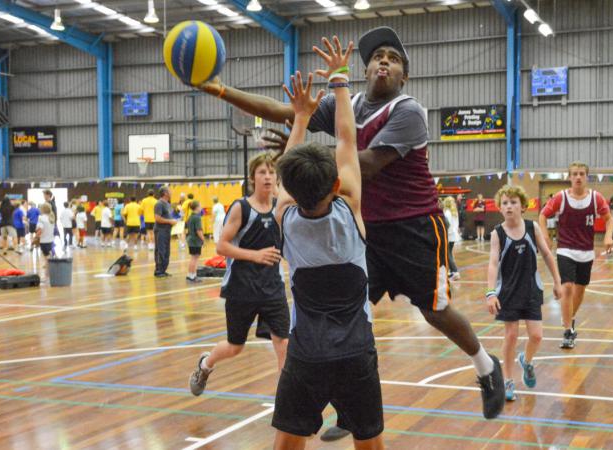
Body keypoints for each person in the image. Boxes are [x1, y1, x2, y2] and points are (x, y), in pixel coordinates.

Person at [199, 28, 505, 438]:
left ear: (404, 75)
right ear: (362, 71)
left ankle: (486, 365)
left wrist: (299, 159)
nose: (384, 61)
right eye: (377, 56)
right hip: (367, 228)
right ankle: (350, 402)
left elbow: (362, 163)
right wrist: (220, 89)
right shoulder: (352, 103)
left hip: (415, 225)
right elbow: (282, 108)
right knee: (352, 309)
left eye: (393, 58)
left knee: (433, 309)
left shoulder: (408, 109)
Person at [273, 42, 382, 449]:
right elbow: (346, 139)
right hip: (356, 352)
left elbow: (288, 175)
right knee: (370, 443)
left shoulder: (285, 218)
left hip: (306, 355)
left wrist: (299, 117)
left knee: (287, 444)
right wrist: (339, 81)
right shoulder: (350, 206)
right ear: (335, 185)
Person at [189, 150, 289, 407]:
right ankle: (205, 364)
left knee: (284, 342)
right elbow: (221, 247)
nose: (267, 177)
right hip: (241, 289)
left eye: (271, 172)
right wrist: (255, 256)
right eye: (262, 172)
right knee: (235, 346)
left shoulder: (281, 208)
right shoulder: (240, 208)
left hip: (272, 288)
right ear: (253, 178)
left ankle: (287, 400)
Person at [486, 185, 561, 401]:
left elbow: (547, 254)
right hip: (507, 292)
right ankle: (508, 381)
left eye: (513, 202)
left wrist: (557, 281)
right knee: (510, 336)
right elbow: (492, 264)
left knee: (536, 336)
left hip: (530, 289)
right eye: (505, 203)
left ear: (523, 206)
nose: (509, 206)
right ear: (500, 208)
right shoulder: (497, 233)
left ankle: (526, 361)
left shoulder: (532, 227)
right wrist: (490, 293)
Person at [539, 161, 613, 350]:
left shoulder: (596, 198)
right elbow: (542, 215)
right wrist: (545, 236)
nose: (578, 177)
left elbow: (609, 219)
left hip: (586, 251)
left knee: (580, 291)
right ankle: (567, 331)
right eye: (574, 174)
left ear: (586, 177)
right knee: (568, 287)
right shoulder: (560, 197)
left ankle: (570, 318)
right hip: (565, 249)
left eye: (581, 173)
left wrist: (608, 235)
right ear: (569, 177)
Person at [154, 187, 177, 277]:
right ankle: (158, 270)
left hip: (167, 230)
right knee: (161, 250)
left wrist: (174, 221)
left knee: (167, 251)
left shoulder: (168, 204)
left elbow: (168, 217)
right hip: (161, 230)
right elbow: (157, 218)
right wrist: (170, 221)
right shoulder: (159, 204)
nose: (171, 192)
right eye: (169, 191)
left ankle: (163, 270)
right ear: (165, 193)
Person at [185, 200, 205, 283]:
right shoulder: (197, 217)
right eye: (200, 206)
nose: (201, 207)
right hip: (195, 241)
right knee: (195, 258)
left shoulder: (190, 216)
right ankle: (192, 276)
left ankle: (190, 275)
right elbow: (198, 230)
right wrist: (203, 239)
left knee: (193, 258)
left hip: (190, 239)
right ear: (197, 207)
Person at [35, 203, 55, 280]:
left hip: (44, 241)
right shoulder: (51, 218)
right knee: (48, 256)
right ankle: (48, 272)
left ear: (42, 210)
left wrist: (35, 237)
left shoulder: (41, 218)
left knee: (47, 258)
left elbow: (40, 230)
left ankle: (47, 275)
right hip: (50, 240)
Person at [442, 196, 460, 281]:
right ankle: (449, 271)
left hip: (449, 235)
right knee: (448, 253)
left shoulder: (448, 213)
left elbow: (447, 224)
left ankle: (455, 271)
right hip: (453, 235)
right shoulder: (454, 212)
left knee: (447, 254)